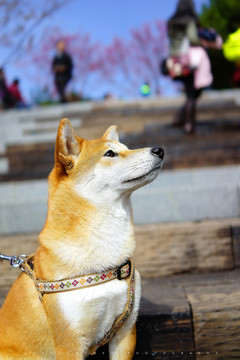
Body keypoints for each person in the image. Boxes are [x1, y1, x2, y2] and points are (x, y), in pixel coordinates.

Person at [167, 0, 213, 134]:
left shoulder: (172, 22)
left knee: (190, 92)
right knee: (192, 93)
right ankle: (189, 124)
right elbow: (193, 38)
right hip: (189, 60)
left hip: (175, 61)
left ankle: (179, 118)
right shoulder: (189, 20)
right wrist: (205, 42)